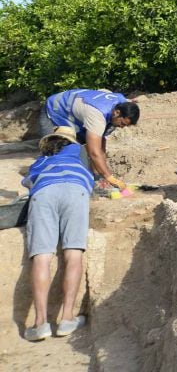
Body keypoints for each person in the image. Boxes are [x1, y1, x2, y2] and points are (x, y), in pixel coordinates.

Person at [20, 126, 90, 341]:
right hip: (76, 191)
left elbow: (27, 182)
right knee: (73, 253)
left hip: (45, 193)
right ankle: (67, 318)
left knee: (41, 256)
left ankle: (40, 324)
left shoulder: (42, 160)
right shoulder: (79, 156)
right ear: (72, 142)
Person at [39, 89, 139, 190]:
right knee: (53, 151)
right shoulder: (97, 116)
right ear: (117, 112)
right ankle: (47, 181)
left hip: (76, 112)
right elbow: (94, 153)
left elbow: (101, 147)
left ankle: (94, 179)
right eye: (122, 123)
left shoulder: (121, 102)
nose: (121, 127)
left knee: (89, 147)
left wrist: (101, 176)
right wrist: (110, 177)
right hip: (54, 109)